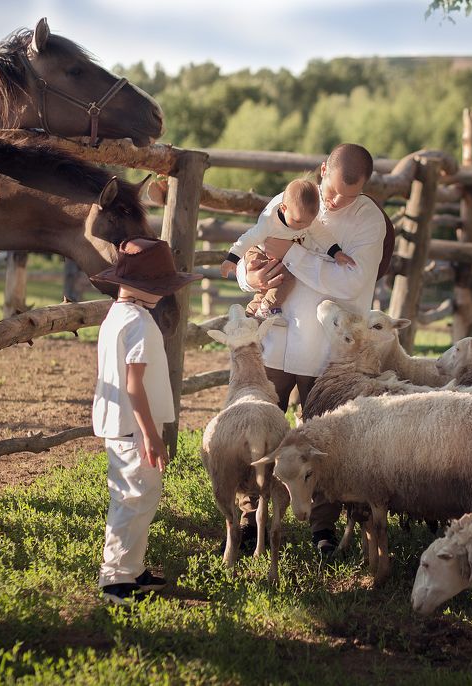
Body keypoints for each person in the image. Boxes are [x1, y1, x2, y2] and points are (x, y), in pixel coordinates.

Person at [235, 143, 387, 554]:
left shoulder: (368, 220)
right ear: (323, 169)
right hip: (275, 340)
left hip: (327, 350)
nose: (335, 200)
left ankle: (322, 527)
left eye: (347, 195)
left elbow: (350, 284)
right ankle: (251, 519)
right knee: (258, 430)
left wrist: (294, 254)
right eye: (333, 189)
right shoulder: (289, 199)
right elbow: (252, 253)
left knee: (322, 437)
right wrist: (249, 275)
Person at [90, 237, 200, 605]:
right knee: (133, 498)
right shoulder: (139, 322)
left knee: (140, 494)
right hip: (134, 426)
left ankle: (131, 569)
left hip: (123, 422)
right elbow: (133, 384)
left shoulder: (117, 315)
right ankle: (116, 579)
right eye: (162, 288)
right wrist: (151, 435)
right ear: (148, 290)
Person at [220, 178, 354, 321]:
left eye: (308, 222)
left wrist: (336, 252)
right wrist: (232, 259)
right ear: (283, 209)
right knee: (286, 279)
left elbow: (321, 234)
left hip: (278, 258)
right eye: (297, 221)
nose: (303, 226)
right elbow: (248, 238)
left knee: (271, 286)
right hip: (258, 252)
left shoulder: (305, 218)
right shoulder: (269, 223)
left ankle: (251, 316)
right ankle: (268, 307)